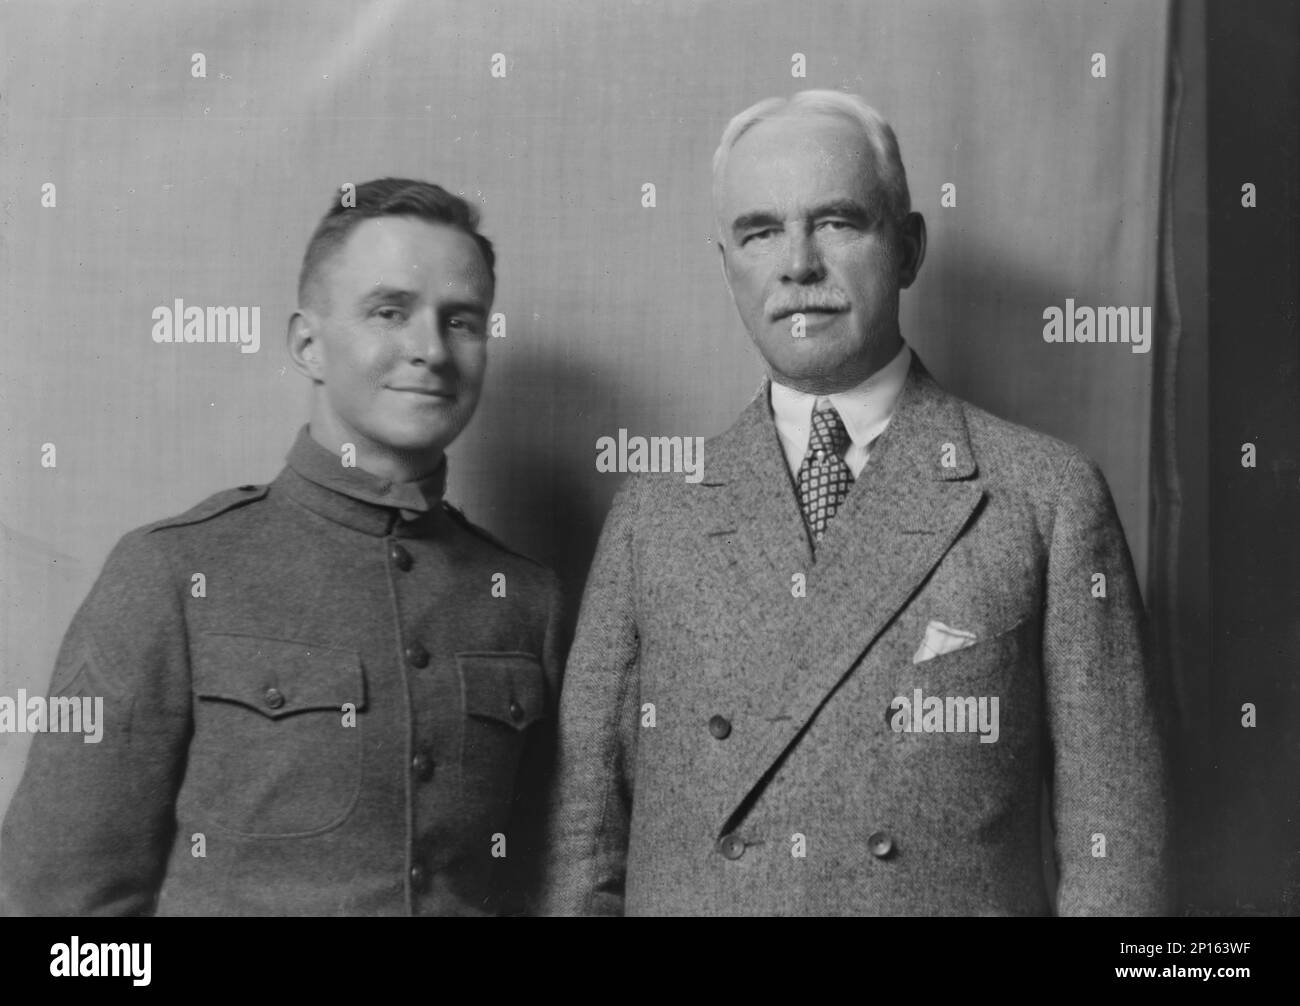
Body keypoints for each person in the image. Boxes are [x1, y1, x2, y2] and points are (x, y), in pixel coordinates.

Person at [543, 91, 1172, 916]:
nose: (797, 263)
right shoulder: (651, 517)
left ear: (909, 248)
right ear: (726, 263)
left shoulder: (1045, 497)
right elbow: (582, 852)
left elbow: (1114, 847)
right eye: (760, 231)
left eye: (837, 222)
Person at [0, 178, 564, 916]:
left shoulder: (526, 599)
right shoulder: (175, 574)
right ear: (308, 343)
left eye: (461, 321)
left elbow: (550, 882)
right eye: (389, 312)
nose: (430, 349)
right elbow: (57, 908)